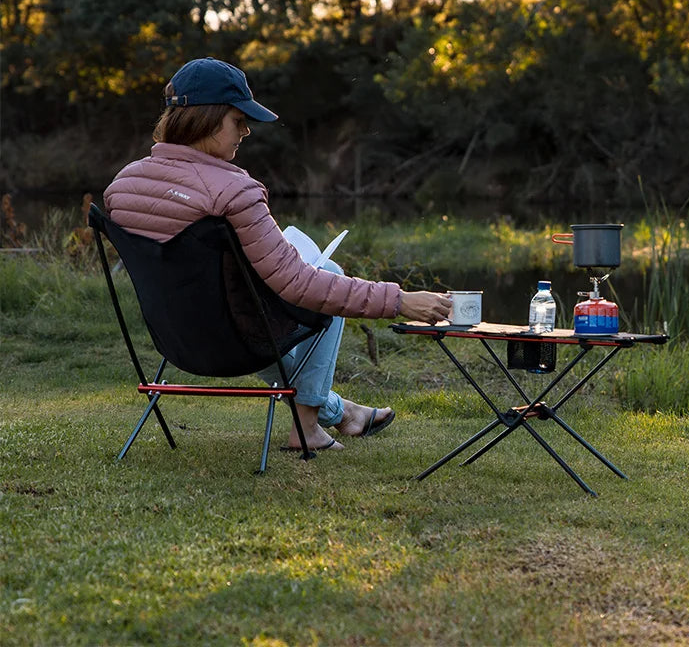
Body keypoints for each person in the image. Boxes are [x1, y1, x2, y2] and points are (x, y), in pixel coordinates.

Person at [103, 57, 451, 451]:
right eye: (238, 120)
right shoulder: (235, 191)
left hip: (173, 339)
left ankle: (339, 412)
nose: (247, 131)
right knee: (327, 275)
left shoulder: (122, 186)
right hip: (237, 344)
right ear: (208, 119)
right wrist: (400, 300)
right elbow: (301, 284)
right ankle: (306, 428)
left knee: (271, 299)